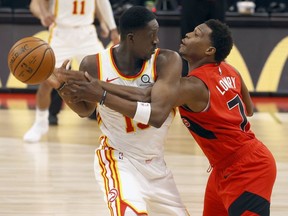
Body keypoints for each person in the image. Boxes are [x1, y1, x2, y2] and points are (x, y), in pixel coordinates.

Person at [49, 6, 189, 216]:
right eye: (151, 36)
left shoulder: (167, 61)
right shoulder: (93, 63)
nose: (157, 41)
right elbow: (84, 109)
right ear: (131, 38)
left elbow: (157, 116)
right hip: (118, 159)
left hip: (156, 166)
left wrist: (102, 95)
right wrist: (61, 87)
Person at [175, 19, 276, 215]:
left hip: (249, 169)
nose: (188, 34)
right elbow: (249, 109)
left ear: (209, 51)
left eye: (197, 34)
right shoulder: (231, 70)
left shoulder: (194, 86)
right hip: (223, 167)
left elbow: (151, 100)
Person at [23, 0, 120, 142]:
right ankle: (40, 122)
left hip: (87, 32)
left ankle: (115, 124)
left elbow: (102, 2)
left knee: (107, 75)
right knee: (46, 79)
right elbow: (37, 2)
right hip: (61, 33)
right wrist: (44, 14)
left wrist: (111, 27)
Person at [180, 0, 227, 76]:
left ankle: (218, 75)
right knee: (190, 40)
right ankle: (187, 75)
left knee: (219, 39)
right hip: (193, 4)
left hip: (217, 4)